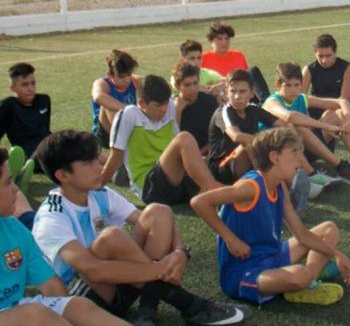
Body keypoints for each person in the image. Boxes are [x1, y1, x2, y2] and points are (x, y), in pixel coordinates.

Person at [31, 131, 248, 326]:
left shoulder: (99, 194)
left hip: (120, 283)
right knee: (112, 237)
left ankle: (147, 312)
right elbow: (92, 270)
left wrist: (180, 251)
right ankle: (189, 304)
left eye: (96, 159)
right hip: (82, 300)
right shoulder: (52, 216)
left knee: (158, 211)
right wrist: (162, 268)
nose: (99, 166)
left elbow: (151, 220)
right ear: (63, 175)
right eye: (88, 163)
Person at [190, 128, 350, 306]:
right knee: (299, 275)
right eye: (294, 152)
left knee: (329, 229)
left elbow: (301, 234)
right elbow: (199, 202)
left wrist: (337, 255)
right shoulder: (250, 187)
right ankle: (307, 277)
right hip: (244, 272)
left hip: (273, 256)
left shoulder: (279, 186)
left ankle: (308, 281)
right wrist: (231, 239)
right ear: (275, 157)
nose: (301, 159)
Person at [0, 147, 132, 326]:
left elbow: (51, 286)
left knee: (77, 305)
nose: (16, 189)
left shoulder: (14, 229)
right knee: (34, 315)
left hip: (13, 308)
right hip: (16, 314)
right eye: (8, 182)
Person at [208, 70, 343, 204]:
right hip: (223, 168)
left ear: (252, 93)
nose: (237, 96)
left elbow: (284, 125)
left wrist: (293, 140)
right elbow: (237, 136)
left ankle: (299, 183)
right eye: (233, 91)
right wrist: (268, 145)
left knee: (281, 143)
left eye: (242, 91)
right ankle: (280, 187)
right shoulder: (223, 111)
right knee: (248, 144)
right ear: (226, 92)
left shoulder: (253, 109)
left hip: (250, 161)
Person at [101, 75, 220, 205]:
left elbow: (177, 149)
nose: (163, 109)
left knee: (203, 163)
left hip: (172, 181)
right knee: (184, 138)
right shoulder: (129, 115)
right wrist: (97, 186)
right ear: (141, 103)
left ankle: (211, 195)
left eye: (165, 103)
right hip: (149, 186)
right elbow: (115, 158)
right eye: (158, 105)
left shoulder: (170, 107)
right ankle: (214, 192)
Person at [263, 63, 350, 184]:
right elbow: (290, 116)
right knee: (297, 126)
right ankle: (338, 167)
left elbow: (342, 102)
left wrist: (349, 120)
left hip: (306, 147)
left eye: (296, 85)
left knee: (338, 114)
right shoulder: (271, 102)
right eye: (288, 85)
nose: (293, 90)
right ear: (277, 85)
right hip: (284, 154)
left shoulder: (301, 98)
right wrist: (327, 126)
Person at [201, 22, 270, 102]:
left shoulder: (238, 55)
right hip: (222, 96)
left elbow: (247, 78)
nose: (224, 42)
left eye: (227, 38)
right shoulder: (203, 58)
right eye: (219, 39)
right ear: (211, 41)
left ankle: (265, 102)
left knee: (253, 71)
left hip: (243, 93)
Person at [0, 63, 51, 162]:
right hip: (26, 157)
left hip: (47, 150)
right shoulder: (8, 106)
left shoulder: (43, 100)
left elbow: (45, 131)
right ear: (12, 88)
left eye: (33, 83)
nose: (30, 88)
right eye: (24, 84)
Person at [90, 50, 141, 149]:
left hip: (131, 125)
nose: (126, 80)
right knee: (107, 105)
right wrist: (128, 109)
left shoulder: (135, 81)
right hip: (105, 133)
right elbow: (98, 97)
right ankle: (121, 144)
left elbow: (158, 85)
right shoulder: (102, 83)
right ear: (110, 75)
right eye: (122, 77)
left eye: (129, 75)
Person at [302, 34, 350, 119]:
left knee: (339, 113)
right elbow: (299, 98)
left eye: (328, 55)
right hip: (316, 108)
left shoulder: (347, 68)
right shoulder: (308, 69)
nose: (324, 60)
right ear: (315, 54)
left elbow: (345, 100)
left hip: (339, 108)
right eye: (320, 56)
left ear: (335, 52)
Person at [173, 61, 219, 156]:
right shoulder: (172, 107)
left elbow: (218, 136)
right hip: (184, 156)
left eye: (195, 83)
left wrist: (199, 154)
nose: (193, 88)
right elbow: (173, 141)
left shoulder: (209, 101)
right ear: (178, 86)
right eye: (187, 85)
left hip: (211, 153)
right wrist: (178, 111)